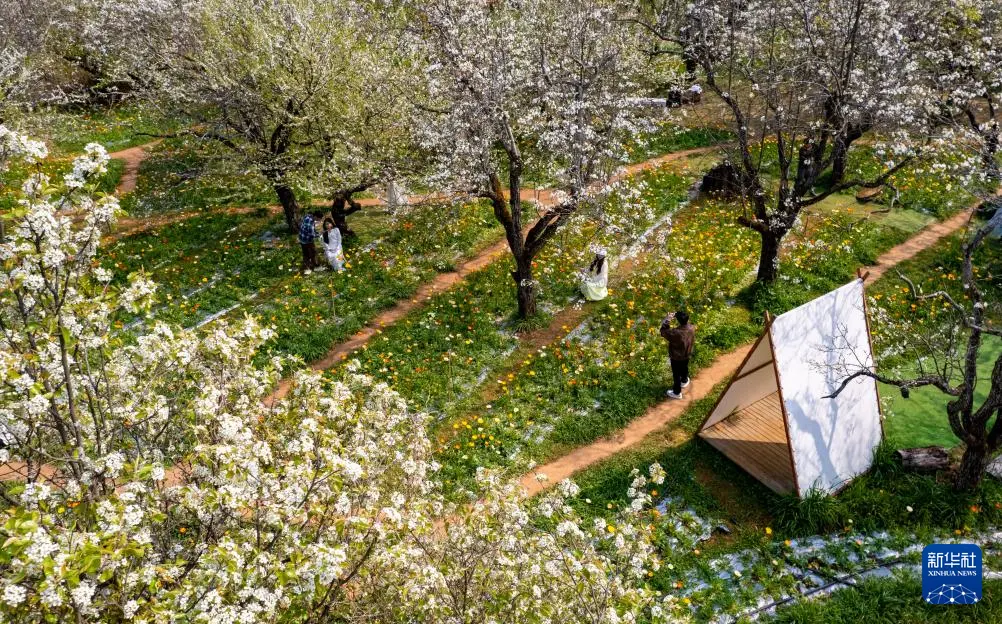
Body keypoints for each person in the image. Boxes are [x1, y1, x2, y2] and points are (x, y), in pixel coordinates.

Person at [660, 310, 695, 399]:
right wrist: (677, 315)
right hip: (687, 353)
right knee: (684, 368)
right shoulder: (691, 327)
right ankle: (684, 380)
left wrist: (667, 319)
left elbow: (663, 332)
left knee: (676, 374)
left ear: (678, 320)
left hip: (677, 357)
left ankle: (677, 392)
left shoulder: (676, 332)